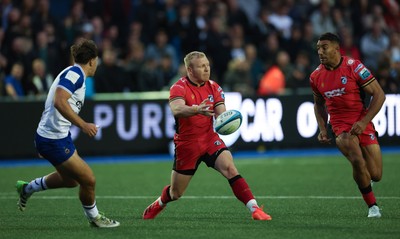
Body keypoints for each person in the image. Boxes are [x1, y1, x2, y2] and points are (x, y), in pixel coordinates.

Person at [142, 51, 272, 221]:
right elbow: (177, 109)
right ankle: (159, 203)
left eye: (207, 65)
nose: (206, 69)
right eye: (201, 66)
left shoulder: (214, 87)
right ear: (190, 70)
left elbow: (221, 115)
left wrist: (227, 122)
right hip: (187, 145)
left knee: (230, 168)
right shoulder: (178, 87)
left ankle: (255, 209)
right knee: (176, 193)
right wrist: (196, 109)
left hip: (210, 139)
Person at [15, 39, 120, 228]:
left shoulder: (73, 73)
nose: (97, 64)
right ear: (91, 61)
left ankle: (27, 188)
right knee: (88, 179)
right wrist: (83, 125)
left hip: (56, 136)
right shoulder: (75, 74)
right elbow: (59, 101)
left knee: (71, 180)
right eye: (97, 60)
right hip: (52, 139)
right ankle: (94, 218)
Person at [310, 32, 386, 218]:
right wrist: (322, 128)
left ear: (337, 49)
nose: (320, 51)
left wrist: (364, 121)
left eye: (324, 47)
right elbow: (318, 104)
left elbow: (379, 95)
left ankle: (365, 181)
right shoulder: (316, 76)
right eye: (318, 48)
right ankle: (372, 207)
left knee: (375, 174)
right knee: (357, 160)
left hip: (362, 122)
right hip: (340, 127)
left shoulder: (354, 67)